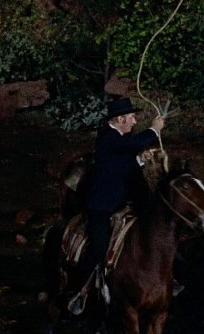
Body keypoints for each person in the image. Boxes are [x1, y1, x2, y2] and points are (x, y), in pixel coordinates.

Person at [70, 97, 164, 314]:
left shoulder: (120, 139)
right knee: (99, 247)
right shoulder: (108, 138)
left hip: (123, 201)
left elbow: (123, 162)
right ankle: (76, 290)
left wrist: (140, 160)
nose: (134, 121)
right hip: (102, 205)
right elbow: (130, 146)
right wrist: (154, 129)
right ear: (120, 119)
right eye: (131, 117)